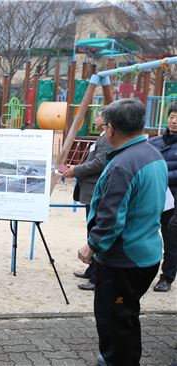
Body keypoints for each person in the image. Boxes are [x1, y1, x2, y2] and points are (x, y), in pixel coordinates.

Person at [77, 99, 167, 366]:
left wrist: (91, 246)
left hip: (123, 260)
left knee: (113, 319)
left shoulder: (123, 165)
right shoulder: (152, 153)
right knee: (126, 315)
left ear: (112, 128)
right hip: (147, 252)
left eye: (104, 126)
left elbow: (111, 218)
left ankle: (116, 360)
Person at [63, 110, 111, 291]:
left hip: (94, 191)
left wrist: (77, 169)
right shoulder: (101, 137)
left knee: (96, 231)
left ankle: (97, 275)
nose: (96, 118)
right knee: (91, 231)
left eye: (99, 115)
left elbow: (100, 163)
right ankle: (92, 269)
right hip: (89, 190)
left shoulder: (106, 138)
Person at [148, 103, 177, 292]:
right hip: (151, 195)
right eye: (172, 116)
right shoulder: (154, 142)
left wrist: (160, 175)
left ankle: (167, 276)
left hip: (173, 200)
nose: (174, 121)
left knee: (171, 239)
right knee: (146, 234)